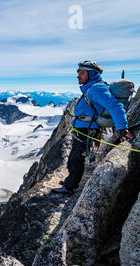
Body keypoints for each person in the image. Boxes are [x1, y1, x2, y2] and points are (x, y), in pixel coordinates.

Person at [52, 60, 133, 195]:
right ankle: (71, 180)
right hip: (84, 127)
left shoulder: (96, 88)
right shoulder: (92, 87)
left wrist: (122, 128)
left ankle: (69, 186)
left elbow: (115, 106)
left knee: (76, 158)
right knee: (76, 157)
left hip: (86, 129)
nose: (78, 76)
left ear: (91, 74)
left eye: (82, 73)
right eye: (78, 73)